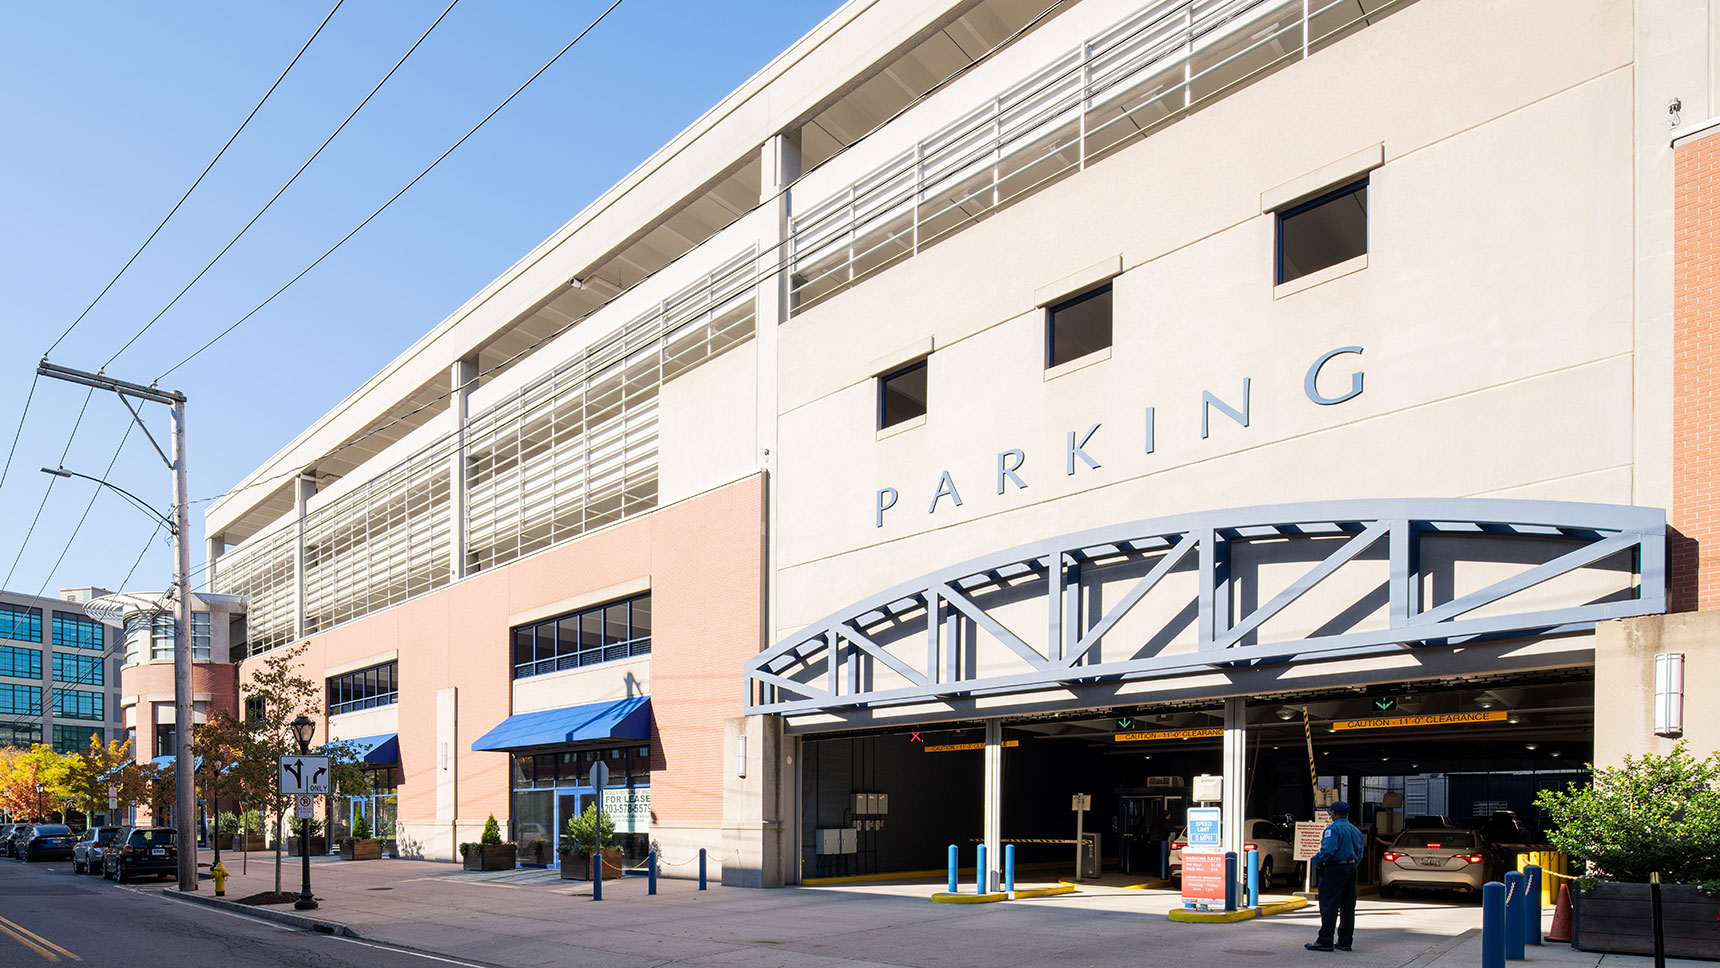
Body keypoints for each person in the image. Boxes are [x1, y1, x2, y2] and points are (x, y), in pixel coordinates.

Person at [1305, 801, 1366, 952]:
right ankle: (1345, 941)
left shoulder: (1332, 829)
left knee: (1329, 905)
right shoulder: (1355, 830)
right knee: (1348, 906)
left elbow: (1328, 850)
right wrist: (1351, 865)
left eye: (1330, 813)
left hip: (1335, 869)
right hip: (1351, 868)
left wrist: (1316, 860)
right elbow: (1359, 853)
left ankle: (1325, 940)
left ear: (1333, 813)